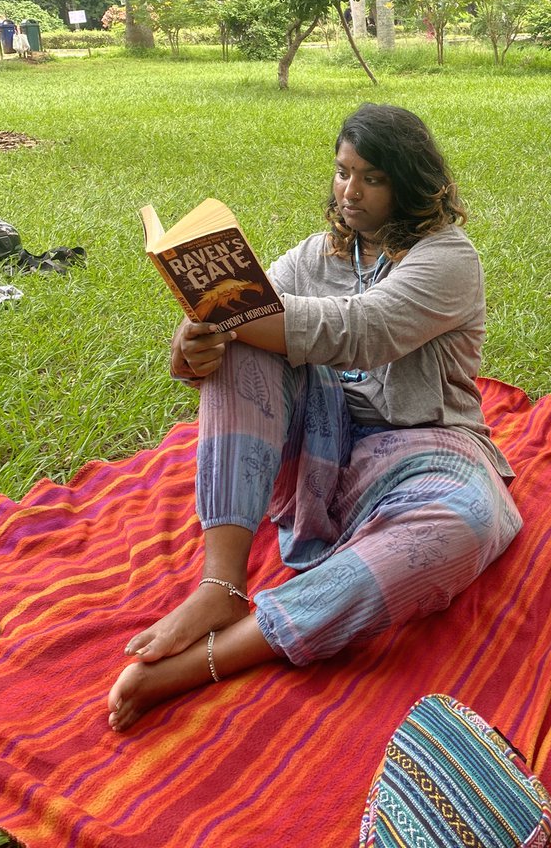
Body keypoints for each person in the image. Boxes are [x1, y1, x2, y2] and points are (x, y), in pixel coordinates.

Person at [108, 104, 522, 732]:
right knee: (239, 339)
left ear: (409, 183)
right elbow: (245, 337)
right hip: (315, 448)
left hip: (422, 447)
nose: (350, 192)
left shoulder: (449, 259)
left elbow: (362, 331)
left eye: (372, 178)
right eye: (342, 171)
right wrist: (194, 344)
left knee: (464, 523)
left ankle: (223, 652)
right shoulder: (313, 256)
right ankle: (220, 585)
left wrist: (233, 315)